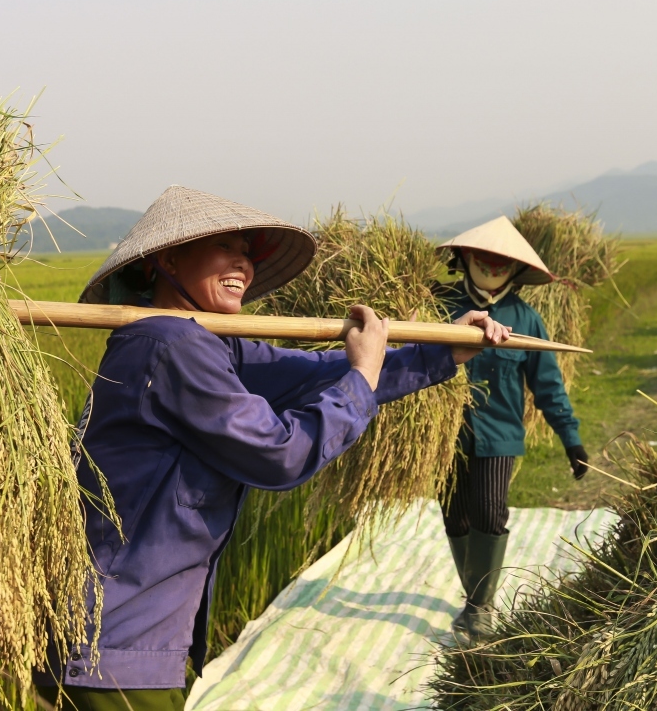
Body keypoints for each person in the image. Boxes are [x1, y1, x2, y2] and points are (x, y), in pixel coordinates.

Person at [34, 186, 510, 711]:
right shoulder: (171, 348)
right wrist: (364, 374)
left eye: (248, 252)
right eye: (227, 248)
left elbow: (317, 374)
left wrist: (442, 352)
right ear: (168, 260)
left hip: (125, 640)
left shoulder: (209, 344)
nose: (244, 263)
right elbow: (279, 452)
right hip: (119, 644)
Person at [435, 215, 589, 643]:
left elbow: (548, 386)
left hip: (499, 434)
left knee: (489, 511)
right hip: (444, 437)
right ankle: (473, 595)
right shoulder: (438, 306)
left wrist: (571, 439)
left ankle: (480, 608)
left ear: (516, 269)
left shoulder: (526, 319)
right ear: (463, 258)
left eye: (503, 261)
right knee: (456, 516)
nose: (493, 266)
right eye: (484, 258)